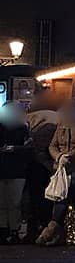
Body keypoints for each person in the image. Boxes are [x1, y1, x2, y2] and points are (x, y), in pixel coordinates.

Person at [36, 98, 75, 246]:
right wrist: (59, 157)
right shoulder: (62, 124)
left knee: (64, 197)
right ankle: (59, 232)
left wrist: (68, 156)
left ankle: (51, 229)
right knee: (61, 197)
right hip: (62, 169)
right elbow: (53, 145)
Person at [24, 89, 58, 242]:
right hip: (46, 168)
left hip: (38, 167)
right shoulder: (53, 120)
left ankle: (37, 229)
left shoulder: (38, 122)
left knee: (37, 200)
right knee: (43, 200)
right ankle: (42, 228)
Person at [0, 101, 32, 244]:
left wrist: (13, 149)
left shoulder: (22, 128)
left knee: (13, 202)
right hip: (6, 168)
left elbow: (28, 148)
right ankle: (5, 230)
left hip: (16, 169)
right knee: (5, 202)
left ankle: (12, 230)